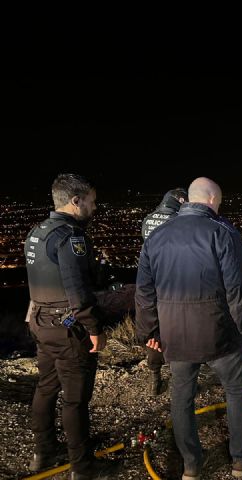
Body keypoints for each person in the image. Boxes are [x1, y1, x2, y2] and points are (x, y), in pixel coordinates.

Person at [135, 177, 242, 479]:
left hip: (175, 336)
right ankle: (241, 459)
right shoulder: (223, 232)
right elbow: (238, 290)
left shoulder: (156, 238)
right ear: (210, 200)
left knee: (181, 397)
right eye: (218, 203)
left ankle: (191, 465)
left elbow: (144, 293)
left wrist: (149, 334)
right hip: (219, 334)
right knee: (235, 390)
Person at [24, 173, 120, 479]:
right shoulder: (70, 237)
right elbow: (77, 289)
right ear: (75, 201)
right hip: (68, 326)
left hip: (40, 321)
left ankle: (43, 451)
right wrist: (94, 328)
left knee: (46, 387)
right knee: (75, 398)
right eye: (91, 201)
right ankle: (82, 466)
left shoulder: (36, 232)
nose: (94, 207)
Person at [140, 187, 187, 395]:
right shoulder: (180, 219)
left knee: (155, 330)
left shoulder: (148, 219)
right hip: (176, 282)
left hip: (152, 278)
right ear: (181, 200)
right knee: (178, 327)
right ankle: (180, 379)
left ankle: (154, 376)